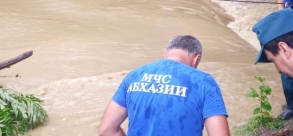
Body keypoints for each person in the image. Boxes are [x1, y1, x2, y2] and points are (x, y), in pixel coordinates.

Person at [98, 35, 230, 136]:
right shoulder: (204, 82)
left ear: (166, 54)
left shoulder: (134, 75)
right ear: (196, 59)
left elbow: (106, 129)